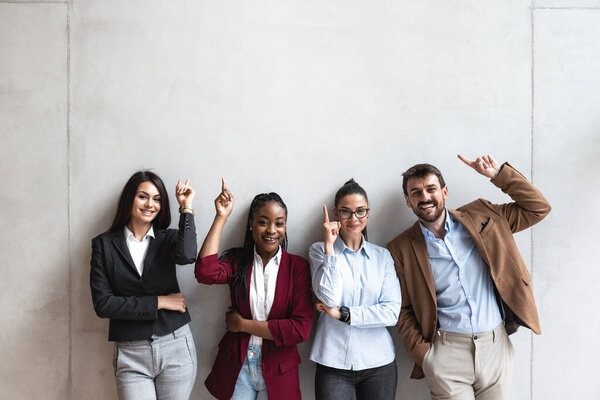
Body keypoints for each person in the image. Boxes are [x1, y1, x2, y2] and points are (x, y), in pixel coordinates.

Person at [387, 154, 552, 400]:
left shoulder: (483, 215)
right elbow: (402, 307)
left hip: (496, 345)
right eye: (416, 193)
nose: (425, 197)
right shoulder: (400, 248)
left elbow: (538, 208)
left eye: (431, 189)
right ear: (408, 201)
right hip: (446, 353)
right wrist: (426, 356)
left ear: (444, 191)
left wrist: (498, 176)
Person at [194, 179, 313, 400]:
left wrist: (243, 325)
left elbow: (299, 329)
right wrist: (221, 217)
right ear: (251, 224)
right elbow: (205, 273)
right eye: (263, 222)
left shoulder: (297, 267)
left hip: (279, 371)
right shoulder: (237, 260)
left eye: (279, 223)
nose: (272, 230)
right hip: (238, 367)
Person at [90, 171, 198, 400]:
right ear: (129, 198)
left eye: (157, 199)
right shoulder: (104, 245)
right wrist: (161, 302)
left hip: (176, 346)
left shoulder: (168, 239)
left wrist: (186, 208)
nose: (150, 204)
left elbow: (188, 255)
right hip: (130, 353)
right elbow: (104, 305)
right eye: (143, 196)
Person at [309, 179, 402, 400]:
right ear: (336, 213)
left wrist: (344, 314)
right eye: (346, 212)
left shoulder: (382, 256)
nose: (353, 219)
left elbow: (391, 313)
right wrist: (330, 248)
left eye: (360, 211)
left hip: (379, 363)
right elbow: (329, 298)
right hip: (332, 362)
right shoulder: (318, 251)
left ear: (368, 212)